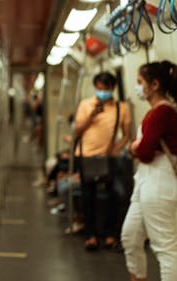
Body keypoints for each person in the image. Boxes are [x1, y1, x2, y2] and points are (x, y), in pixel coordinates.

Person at [121, 61, 177, 281]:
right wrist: (136, 146)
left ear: (154, 85)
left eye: (139, 83)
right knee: (130, 236)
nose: (137, 87)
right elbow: (141, 145)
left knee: (165, 247)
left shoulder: (162, 112)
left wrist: (135, 147)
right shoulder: (155, 112)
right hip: (146, 180)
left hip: (159, 181)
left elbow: (143, 150)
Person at [74, 71, 131, 250]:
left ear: (112, 88)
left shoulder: (122, 108)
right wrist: (92, 115)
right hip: (86, 155)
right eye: (99, 89)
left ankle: (110, 234)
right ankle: (90, 234)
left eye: (105, 89)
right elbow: (77, 130)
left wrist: (118, 147)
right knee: (88, 196)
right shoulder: (85, 105)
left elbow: (127, 134)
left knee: (114, 196)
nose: (102, 93)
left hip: (108, 157)